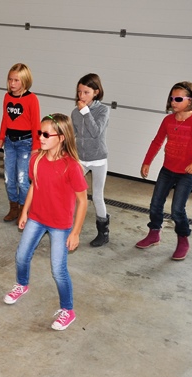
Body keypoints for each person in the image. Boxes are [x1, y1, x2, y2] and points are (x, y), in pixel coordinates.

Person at [3, 113, 88, 331]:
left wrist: (76, 232)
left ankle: (68, 310)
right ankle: (22, 284)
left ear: (61, 137)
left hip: (60, 225)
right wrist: (24, 212)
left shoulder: (71, 166)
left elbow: (83, 201)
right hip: (37, 218)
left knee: (58, 269)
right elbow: (34, 185)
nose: (40, 137)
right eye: (39, 133)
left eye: (46, 134)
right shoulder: (36, 159)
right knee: (21, 255)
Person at [136, 81, 192, 260]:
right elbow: (157, 141)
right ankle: (154, 233)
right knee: (156, 204)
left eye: (178, 99)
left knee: (177, 209)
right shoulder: (168, 120)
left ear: (190, 100)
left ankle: (183, 239)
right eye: (171, 98)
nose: (173, 102)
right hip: (167, 169)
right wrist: (147, 162)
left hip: (187, 173)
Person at [0, 63, 41, 223]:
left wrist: (36, 147)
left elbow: (36, 124)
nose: (12, 83)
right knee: (9, 178)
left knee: (22, 179)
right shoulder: (7, 97)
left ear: (25, 81)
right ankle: (13, 207)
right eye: (10, 79)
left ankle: (24, 209)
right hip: (10, 142)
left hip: (25, 144)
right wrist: (1, 136)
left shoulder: (31, 99)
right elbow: (5, 118)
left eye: (16, 80)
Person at [71, 73, 111, 247]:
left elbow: (95, 132)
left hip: (98, 159)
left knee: (97, 196)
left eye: (86, 92)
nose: (82, 96)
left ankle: (103, 232)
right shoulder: (75, 112)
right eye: (79, 92)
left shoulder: (103, 110)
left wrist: (86, 112)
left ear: (96, 92)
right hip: (81, 159)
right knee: (70, 191)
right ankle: (65, 225)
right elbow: (72, 134)